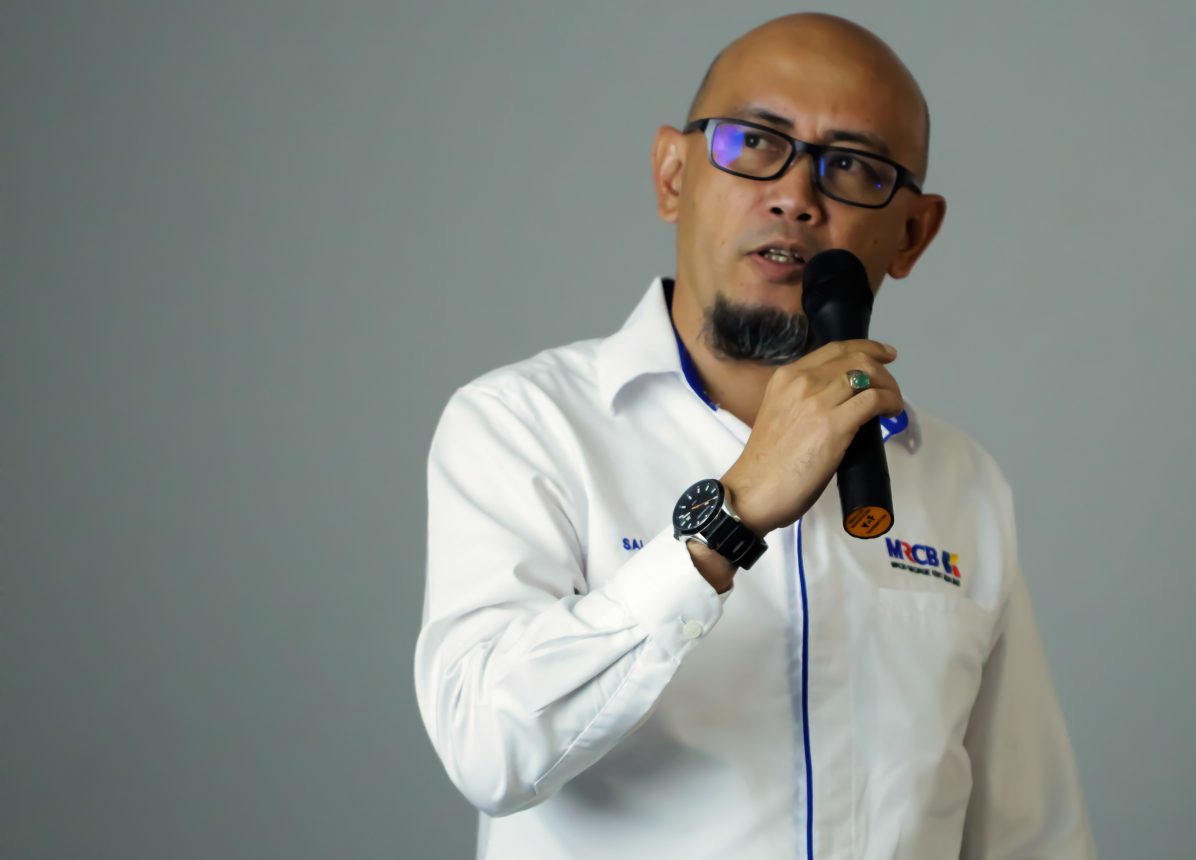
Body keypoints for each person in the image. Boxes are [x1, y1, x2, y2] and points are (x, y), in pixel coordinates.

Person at [414, 12, 1098, 859]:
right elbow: (487, 749)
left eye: (852, 166)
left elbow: (1030, 836)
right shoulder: (523, 427)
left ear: (913, 233)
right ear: (673, 175)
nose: (796, 196)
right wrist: (728, 516)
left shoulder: (962, 482)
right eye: (754, 141)